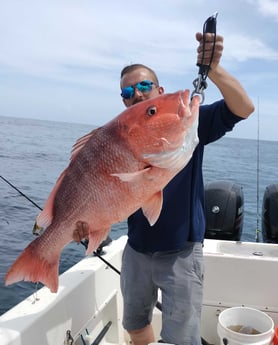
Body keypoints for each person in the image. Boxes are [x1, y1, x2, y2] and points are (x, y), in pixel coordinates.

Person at [74, 31, 254, 345]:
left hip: (182, 254)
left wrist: (214, 71)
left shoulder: (187, 123)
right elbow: (102, 193)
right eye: (129, 91)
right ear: (123, 101)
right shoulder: (119, 141)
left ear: (160, 89)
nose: (137, 94)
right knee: (134, 323)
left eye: (144, 86)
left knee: (182, 338)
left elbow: (243, 108)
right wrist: (85, 224)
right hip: (136, 251)